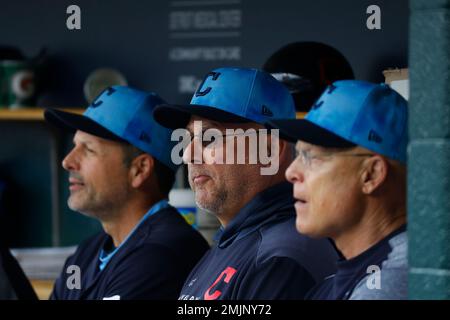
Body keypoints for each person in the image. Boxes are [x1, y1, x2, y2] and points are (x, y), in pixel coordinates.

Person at [154, 67, 338, 300]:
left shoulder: (280, 256)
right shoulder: (235, 240)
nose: (188, 154)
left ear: (270, 150)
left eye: (210, 138)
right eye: (189, 138)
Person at [44, 86, 209, 300]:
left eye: (89, 150)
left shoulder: (161, 255)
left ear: (139, 170)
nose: (67, 162)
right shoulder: (86, 254)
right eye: (75, 146)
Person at [268, 80, 408, 299]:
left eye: (311, 157)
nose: (291, 173)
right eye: (298, 154)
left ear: (371, 174)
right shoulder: (338, 281)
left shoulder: (390, 286)